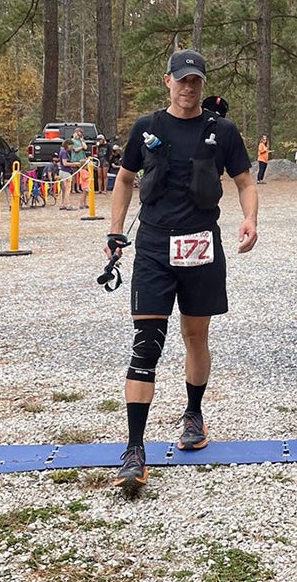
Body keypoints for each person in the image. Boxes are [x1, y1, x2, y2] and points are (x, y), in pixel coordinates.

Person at [106, 48, 258, 494]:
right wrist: (115, 230)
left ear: (202, 85)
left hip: (200, 243)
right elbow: (124, 179)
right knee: (147, 343)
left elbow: (245, 182)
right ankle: (135, 448)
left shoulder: (223, 131)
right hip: (153, 245)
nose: (189, 88)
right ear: (167, 81)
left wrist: (250, 219)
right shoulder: (147, 127)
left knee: (195, 336)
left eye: (196, 81)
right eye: (182, 80)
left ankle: (193, 413)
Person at [57, 138, 77, 210]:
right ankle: (68, 204)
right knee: (68, 189)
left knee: (63, 189)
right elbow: (65, 163)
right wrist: (74, 164)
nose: (71, 148)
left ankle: (62, 204)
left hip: (62, 171)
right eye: (71, 146)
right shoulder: (64, 152)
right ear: (67, 145)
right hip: (66, 172)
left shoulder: (61, 151)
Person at [70, 127, 87, 194]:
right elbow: (75, 149)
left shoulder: (81, 140)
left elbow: (85, 147)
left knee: (80, 175)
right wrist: (81, 147)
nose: (81, 134)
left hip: (81, 159)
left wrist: (82, 141)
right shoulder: (73, 141)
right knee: (74, 174)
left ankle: (78, 188)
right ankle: (73, 188)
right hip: (75, 159)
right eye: (80, 132)